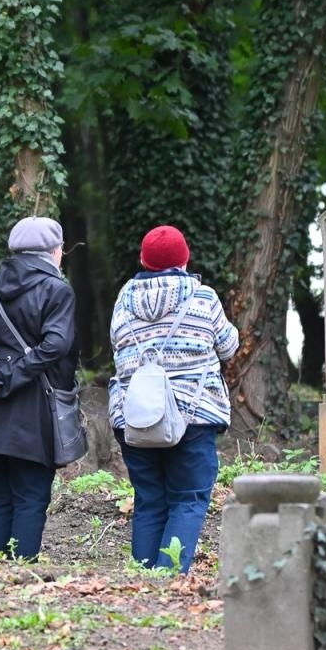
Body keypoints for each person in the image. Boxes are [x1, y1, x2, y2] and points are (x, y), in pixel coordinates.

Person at [109, 225, 238, 574]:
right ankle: (168, 580)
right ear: (185, 259)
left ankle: (144, 581)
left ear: (142, 260)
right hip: (193, 413)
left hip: (135, 415)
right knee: (188, 498)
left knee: (149, 500)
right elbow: (228, 346)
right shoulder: (204, 297)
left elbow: (117, 348)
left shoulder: (124, 300)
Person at [0, 216, 78, 559]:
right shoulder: (57, 289)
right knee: (32, 496)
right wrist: (8, 377)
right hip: (35, 406)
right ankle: (20, 574)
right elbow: (55, 346)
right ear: (54, 251)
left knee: (2, 495)